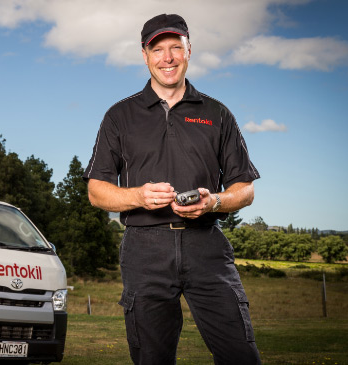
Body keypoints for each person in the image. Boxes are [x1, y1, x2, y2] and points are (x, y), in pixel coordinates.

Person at [83, 13, 262, 364]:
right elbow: (96, 190)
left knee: (241, 355)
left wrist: (214, 201)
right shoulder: (119, 116)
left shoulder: (217, 114)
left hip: (206, 246)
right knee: (152, 358)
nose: (167, 58)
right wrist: (137, 196)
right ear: (145, 55)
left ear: (189, 51)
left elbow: (245, 189)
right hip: (144, 249)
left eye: (175, 47)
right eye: (158, 49)